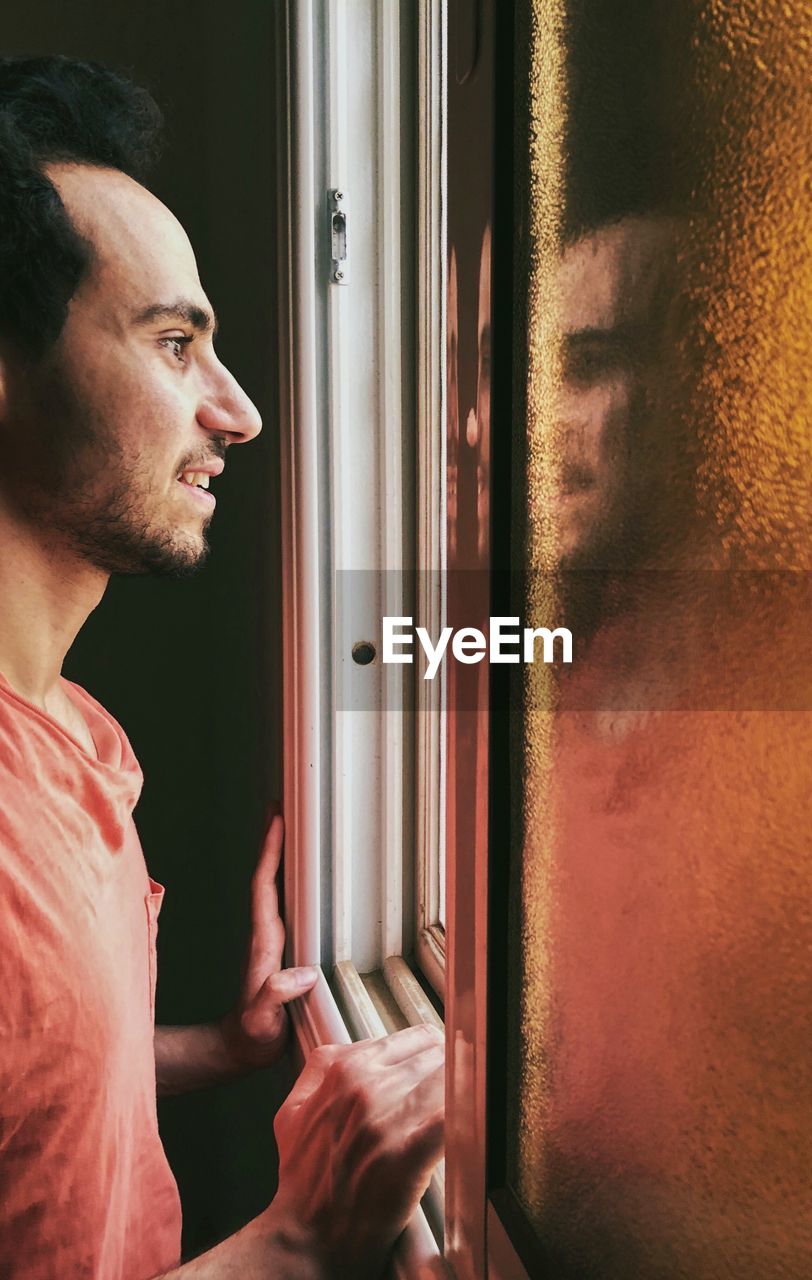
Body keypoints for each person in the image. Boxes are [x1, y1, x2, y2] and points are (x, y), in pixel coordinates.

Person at [0, 55, 444, 1279]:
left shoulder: (68, 729)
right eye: (175, 341)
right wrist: (299, 1239)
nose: (239, 409)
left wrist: (222, 1046)